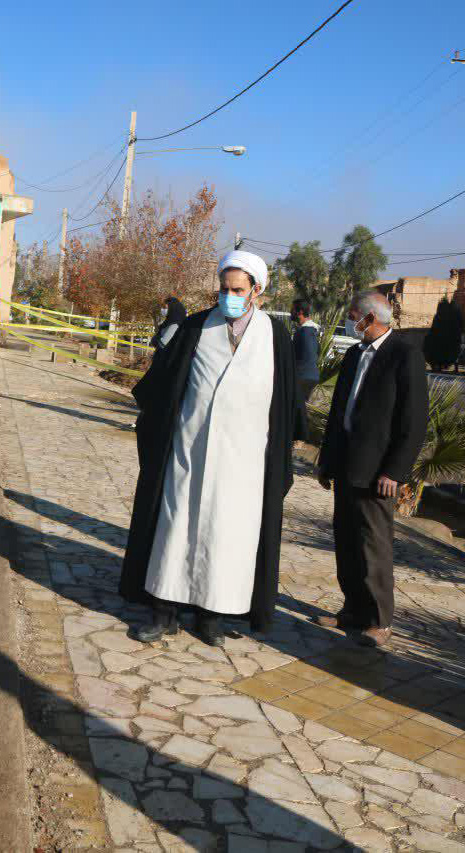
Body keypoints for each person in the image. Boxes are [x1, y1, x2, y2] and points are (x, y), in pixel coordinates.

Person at [119, 250, 297, 647]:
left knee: (227, 537)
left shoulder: (275, 339)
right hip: (189, 454)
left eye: (237, 289)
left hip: (243, 464)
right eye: (223, 289)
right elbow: (162, 383)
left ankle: (210, 616)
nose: (228, 296)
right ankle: (163, 612)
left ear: (257, 290)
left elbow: (285, 405)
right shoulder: (197, 328)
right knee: (176, 529)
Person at [315, 291, 427, 647]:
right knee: (346, 541)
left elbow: (414, 421)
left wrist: (395, 471)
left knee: (373, 546)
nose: (350, 322)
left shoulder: (404, 355)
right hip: (347, 464)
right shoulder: (353, 354)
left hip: (378, 472)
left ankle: (380, 620)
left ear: (370, 318)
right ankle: (353, 610)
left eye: (353, 316)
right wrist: (327, 461)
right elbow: (338, 413)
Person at [291, 298, 321, 407]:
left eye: (292, 310)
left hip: (302, 377)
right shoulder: (312, 331)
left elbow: (305, 355)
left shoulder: (304, 332)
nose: (291, 312)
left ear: (300, 312)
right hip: (311, 376)